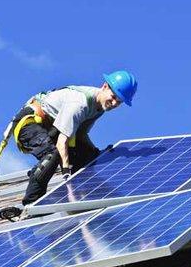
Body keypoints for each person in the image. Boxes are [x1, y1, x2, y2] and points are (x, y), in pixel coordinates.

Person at [12, 70, 137, 206]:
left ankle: (85, 194)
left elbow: (81, 135)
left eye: (118, 102)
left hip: (52, 129)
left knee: (89, 156)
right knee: (52, 155)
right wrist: (66, 172)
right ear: (105, 86)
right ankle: (31, 204)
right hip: (30, 123)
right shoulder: (80, 103)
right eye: (113, 97)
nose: (113, 103)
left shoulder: (99, 108)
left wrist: (96, 153)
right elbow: (62, 142)